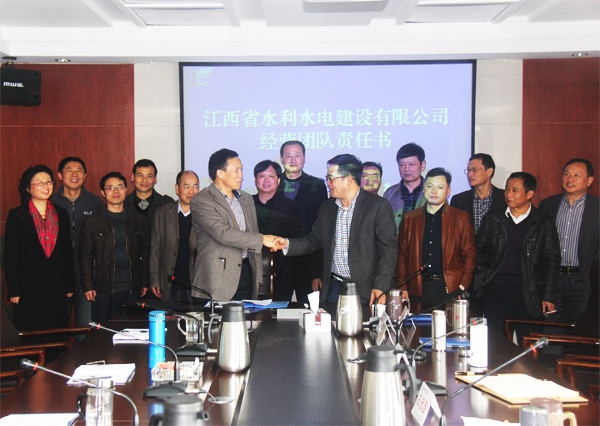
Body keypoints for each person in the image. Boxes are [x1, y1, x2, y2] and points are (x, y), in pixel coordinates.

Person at [274, 154, 397, 305]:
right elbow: (313, 241)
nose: (328, 183)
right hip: (334, 288)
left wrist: (380, 286)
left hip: (367, 289)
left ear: (349, 179)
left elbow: (388, 251)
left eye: (331, 178)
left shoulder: (378, 206)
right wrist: (287, 244)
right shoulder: (328, 207)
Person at [472, 172, 560, 339]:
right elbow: (479, 251)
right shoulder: (493, 218)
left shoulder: (543, 222)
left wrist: (548, 296)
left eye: (514, 190)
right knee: (496, 345)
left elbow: (552, 261)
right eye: (507, 189)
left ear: (529, 194)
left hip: (528, 295)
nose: (508, 194)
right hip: (495, 293)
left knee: (529, 346)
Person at [191, 149, 278, 301]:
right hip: (215, 281)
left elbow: (253, 233)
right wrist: (263, 239)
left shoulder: (246, 199)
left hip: (244, 275)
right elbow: (223, 234)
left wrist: (257, 277)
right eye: (236, 170)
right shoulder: (202, 200)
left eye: (241, 170)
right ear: (220, 173)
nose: (241, 175)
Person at [4, 165, 75, 333]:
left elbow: (67, 251)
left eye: (49, 182)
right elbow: (10, 255)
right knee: (31, 331)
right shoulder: (17, 215)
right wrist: (13, 289)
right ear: (28, 188)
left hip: (56, 283)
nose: (46, 186)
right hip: (28, 285)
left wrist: (70, 284)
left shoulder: (61, 213)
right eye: (40, 183)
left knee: (56, 332)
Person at [397, 168, 476, 304]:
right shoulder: (409, 218)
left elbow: (469, 255)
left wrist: (463, 285)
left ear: (448, 191)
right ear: (423, 189)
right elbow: (403, 255)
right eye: (430, 186)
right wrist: (403, 286)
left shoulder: (461, 218)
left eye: (440, 187)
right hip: (417, 288)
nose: (434, 191)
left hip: (450, 288)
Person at [79, 172, 150, 323]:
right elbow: (85, 257)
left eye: (120, 187)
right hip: (103, 290)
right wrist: (88, 285)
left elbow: (145, 254)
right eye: (110, 188)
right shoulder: (91, 223)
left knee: (131, 331)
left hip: (132, 288)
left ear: (126, 190)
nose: (116, 191)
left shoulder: (139, 220)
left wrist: (144, 282)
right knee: (103, 332)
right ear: (103, 193)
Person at [539, 158, 599, 325]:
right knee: (552, 331)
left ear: (589, 181)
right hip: (553, 281)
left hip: (584, 282)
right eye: (566, 174)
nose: (570, 179)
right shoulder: (548, 205)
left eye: (576, 175)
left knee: (584, 331)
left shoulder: (597, 208)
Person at [50, 157, 104, 335]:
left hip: (86, 275)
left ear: (85, 175)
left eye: (79, 170)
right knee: (57, 327)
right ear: (60, 175)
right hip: (58, 275)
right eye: (69, 170)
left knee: (86, 326)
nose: (74, 174)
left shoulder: (95, 202)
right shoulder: (50, 201)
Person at [276, 140, 328, 304]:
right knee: (276, 308)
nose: (293, 160)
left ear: (304, 158)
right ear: (281, 159)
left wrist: (317, 271)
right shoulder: (272, 184)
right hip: (278, 259)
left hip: (308, 259)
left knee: (310, 308)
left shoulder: (317, 186)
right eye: (288, 156)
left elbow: (322, 227)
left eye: (297, 156)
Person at [252, 160, 302, 301]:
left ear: (279, 180)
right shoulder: (246, 204)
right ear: (255, 180)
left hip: (281, 275)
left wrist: (276, 269)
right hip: (250, 274)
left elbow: (294, 240)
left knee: (278, 313)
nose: (266, 180)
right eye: (262, 176)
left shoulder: (290, 206)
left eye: (271, 176)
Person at [150, 170, 200, 303]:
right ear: (177, 188)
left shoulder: (204, 214)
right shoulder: (162, 213)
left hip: (196, 285)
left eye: (195, 186)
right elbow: (155, 250)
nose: (191, 191)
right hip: (169, 283)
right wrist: (154, 280)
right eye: (186, 186)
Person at [450, 153, 507, 233]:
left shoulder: (505, 198)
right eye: (469, 170)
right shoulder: (458, 200)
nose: (470, 174)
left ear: (489, 171)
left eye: (475, 169)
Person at [383, 142, 427, 232]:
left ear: (422, 165)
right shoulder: (390, 193)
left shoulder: (432, 192)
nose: (406, 169)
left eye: (411, 164)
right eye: (402, 165)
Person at [125, 159, 174, 228]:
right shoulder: (123, 204)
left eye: (149, 176)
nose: (144, 180)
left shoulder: (167, 205)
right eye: (140, 175)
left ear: (155, 179)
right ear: (133, 177)